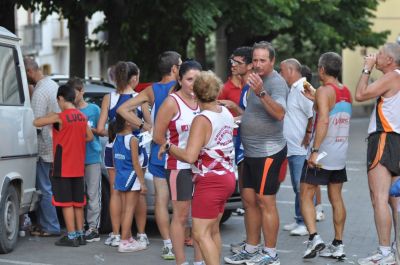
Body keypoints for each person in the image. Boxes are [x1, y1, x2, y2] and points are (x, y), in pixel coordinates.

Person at [159, 70, 236, 265]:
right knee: (213, 230)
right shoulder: (225, 112)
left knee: (200, 234)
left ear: (195, 93)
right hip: (227, 176)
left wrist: (170, 146)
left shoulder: (202, 120)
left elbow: (190, 156)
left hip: (210, 181)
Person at [225, 41, 288, 265]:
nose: (258, 64)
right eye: (255, 60)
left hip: (268, 152)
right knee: (249, 201)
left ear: (272, 61)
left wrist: (261, 92)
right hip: (250, 151)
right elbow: (252, 113)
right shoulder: (252, 80)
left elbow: (280, 113)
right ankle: (252, 248)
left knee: (265, 201)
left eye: (263, 60)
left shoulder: (276, 83)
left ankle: (271, 254)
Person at [117, 51, 182, 260]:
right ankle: (184, 240)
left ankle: (168, 244)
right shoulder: (181, 88)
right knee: (181, 202)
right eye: (180, 66)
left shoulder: (152, 90)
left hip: (157, 152)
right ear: (174, 69)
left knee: (162, 201)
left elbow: (122, 110)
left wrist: (146, 126)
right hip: (179, 151)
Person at [300, 52, 351, 259]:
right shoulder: (345, 90)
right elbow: (330, 112)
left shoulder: (323, 90)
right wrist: (315, 100)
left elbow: (322, 122)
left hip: (322, 154)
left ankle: (314, 238)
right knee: (336, 198)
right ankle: (338, 244)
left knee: (305, 193)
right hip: (340, 154)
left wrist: (314, 151)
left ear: (322, 70)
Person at [153, 60, 204, 265]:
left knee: (200, 218)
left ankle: (199, 261)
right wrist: (173, 149)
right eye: (190, 79)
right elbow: (157, 136)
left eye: (197, 79)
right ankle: (181, 262)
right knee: (181, 217)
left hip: (202, 167)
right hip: (179, 166)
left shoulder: (204, 100)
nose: (193, 83)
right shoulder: (171, 102)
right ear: (180, 79)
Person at [355, 43, 400, 265]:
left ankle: (385, 253)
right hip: (393, 138)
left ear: (390, 60)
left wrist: (366, 68)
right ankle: (393, 250)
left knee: (379, 198)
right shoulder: (393, 79)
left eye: (380, 53)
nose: (375, 55)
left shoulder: (393, 76)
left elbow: (360, 94)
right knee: (393, 201)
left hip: (384, 138)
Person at [97, 61, 151, 247]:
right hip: (135, 147)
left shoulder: (108, 98)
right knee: (138, 193)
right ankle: (141, 234)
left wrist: (114, 131)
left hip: (113, 148)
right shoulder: (140, 98)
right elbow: (149, 126)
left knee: (115, 191)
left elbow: (100, 129)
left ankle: (116, 234)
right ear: (134, 78)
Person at [33, 84, 94, 246]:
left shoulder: (60, 116)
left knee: (66, 202)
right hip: (78, 166)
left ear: (60, 98)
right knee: (78, 202)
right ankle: (80, 235)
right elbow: (89, 137)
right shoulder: (82, 116)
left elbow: (36, 122)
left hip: (63, 166)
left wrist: (52, 115)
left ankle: (72, 236)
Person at [24, 57, 61, 237]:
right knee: (48, 188)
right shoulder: (52, 85)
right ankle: (46, 224)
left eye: (25, 74)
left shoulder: (39, 93)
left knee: (44, 189)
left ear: (30, 72)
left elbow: (35, 124)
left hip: (44, 148)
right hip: (55, 145)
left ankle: (51, 226)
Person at [280, 59, 314, 237]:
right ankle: (299, 218)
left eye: (282, 70)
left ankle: (305, 222)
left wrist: (308, 133)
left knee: (302, 187)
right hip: (293, 147)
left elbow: (314, 112)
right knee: (297, 186)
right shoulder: (293, 88)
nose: (280, 74)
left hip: (301, 149)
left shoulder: (303, 88)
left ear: (292, 70)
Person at [71, 78, 102, 242]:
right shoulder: (69, 112)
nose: (72, 96)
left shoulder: (94, 109)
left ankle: (93, 228)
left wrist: (88, 129)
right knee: (77, 194)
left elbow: (103, 131)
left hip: (91, 156)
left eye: (74, 92)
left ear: (82, 91)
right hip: (74, 158)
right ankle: (79, 226)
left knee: (92, 193)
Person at [113, 113, 148, 252]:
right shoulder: (133, 139)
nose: (138, 121)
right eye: (134, 118)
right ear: (128, 122)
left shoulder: (117, 137)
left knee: (124, 209)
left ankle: (128, 238)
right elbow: (136, 163)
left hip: (121, 176)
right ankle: (124, 243)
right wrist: (142, 183)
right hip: (132, 177)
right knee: (129, 210)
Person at [300, 65, 325, 222]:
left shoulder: (315, 93)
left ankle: (318, 208)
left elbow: (313, 118)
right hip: (314, 141)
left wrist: (309, 135)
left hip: (315, 141)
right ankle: (318, 208)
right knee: (314, 179)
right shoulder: (314, 94)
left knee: (313, 178)